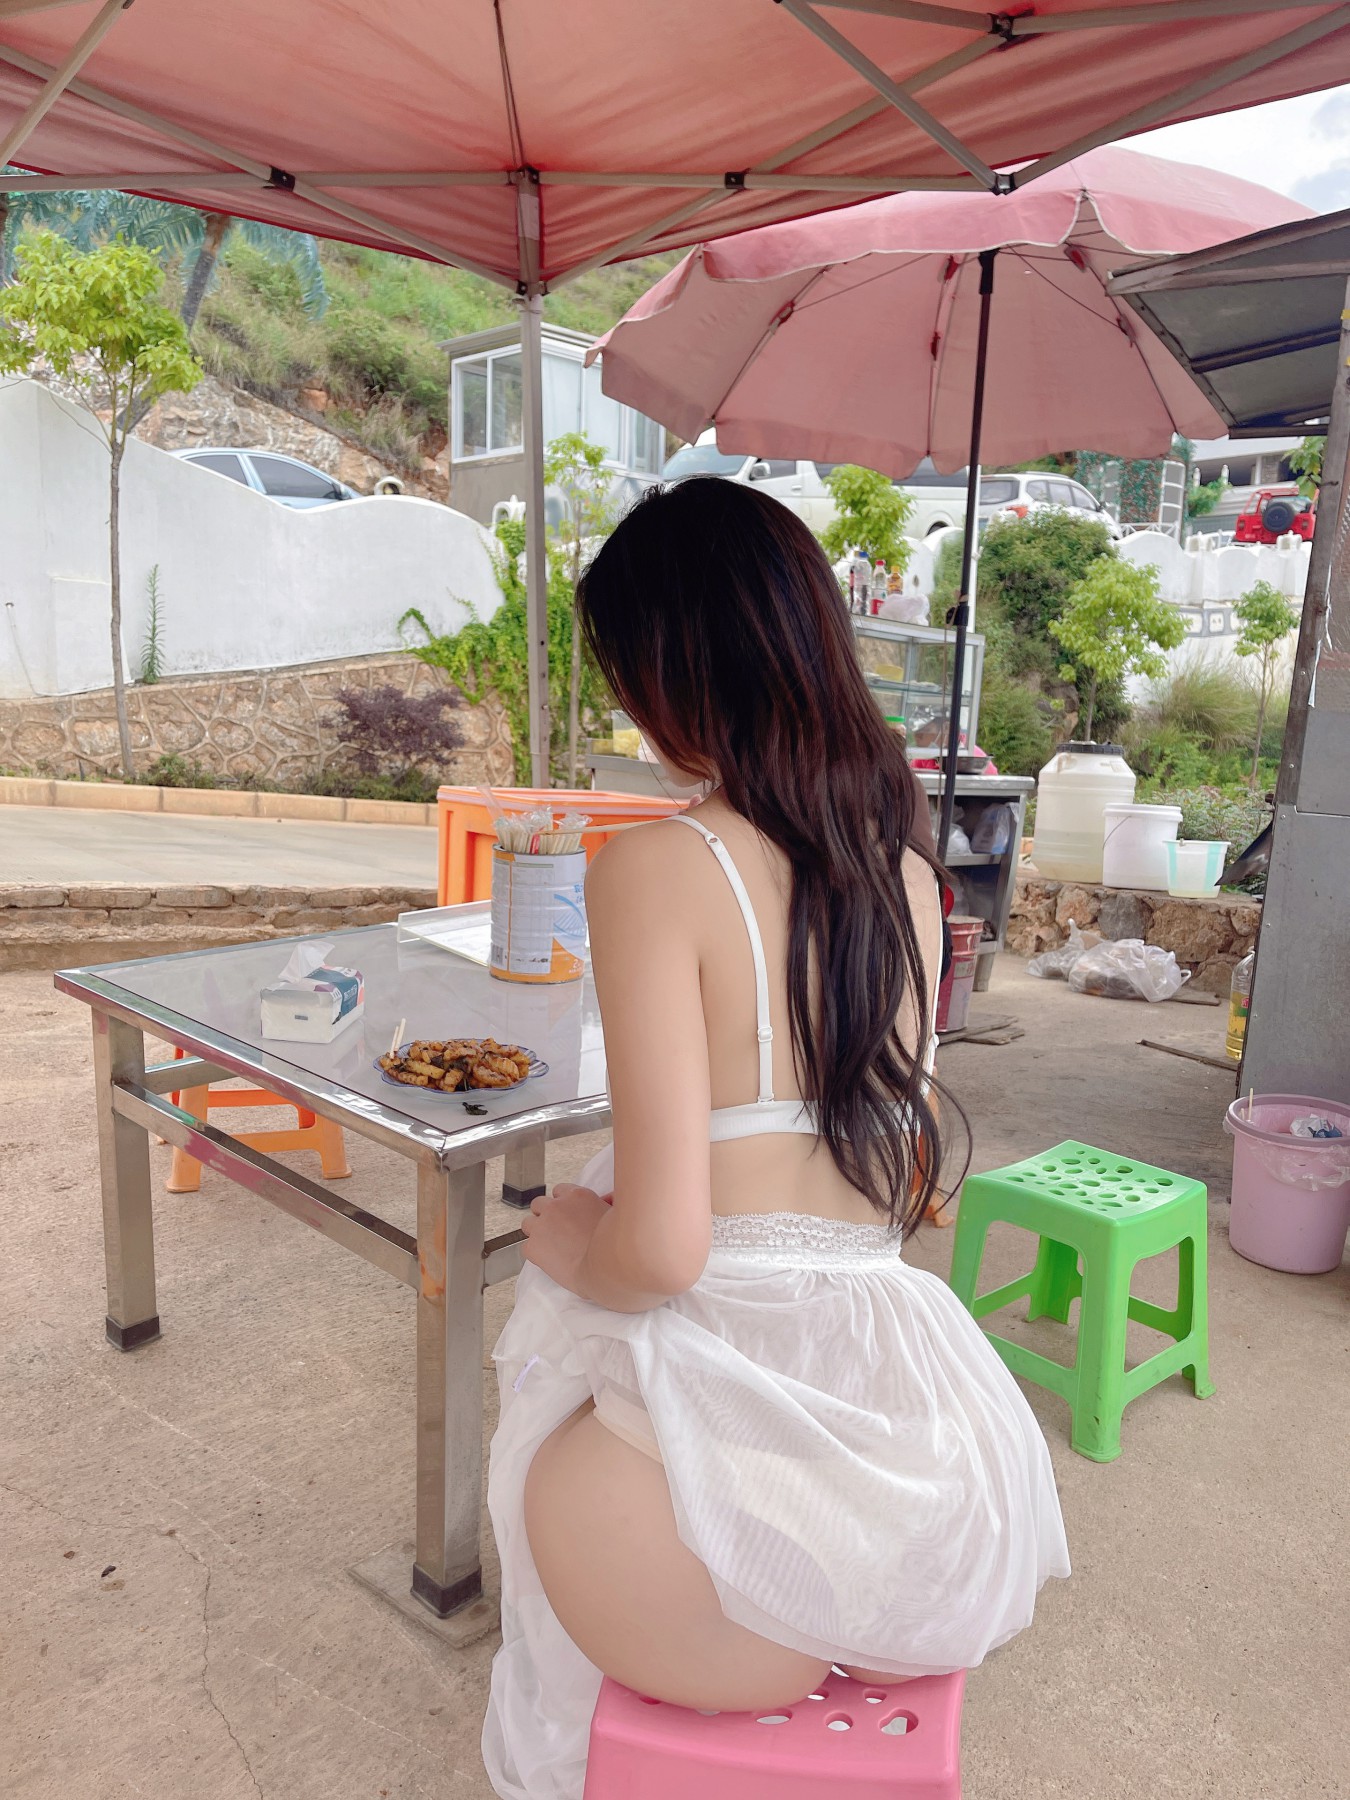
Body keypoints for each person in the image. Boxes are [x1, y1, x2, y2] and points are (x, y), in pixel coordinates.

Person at [482, 479, 1068, 1800]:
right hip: (911, 1514)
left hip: (707, 1586)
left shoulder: (656, 868)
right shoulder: (906, 874)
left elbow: (664, 1251)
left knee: (553, 1379)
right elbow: (902, 1182)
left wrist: (568, 1240)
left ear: (674, 671)